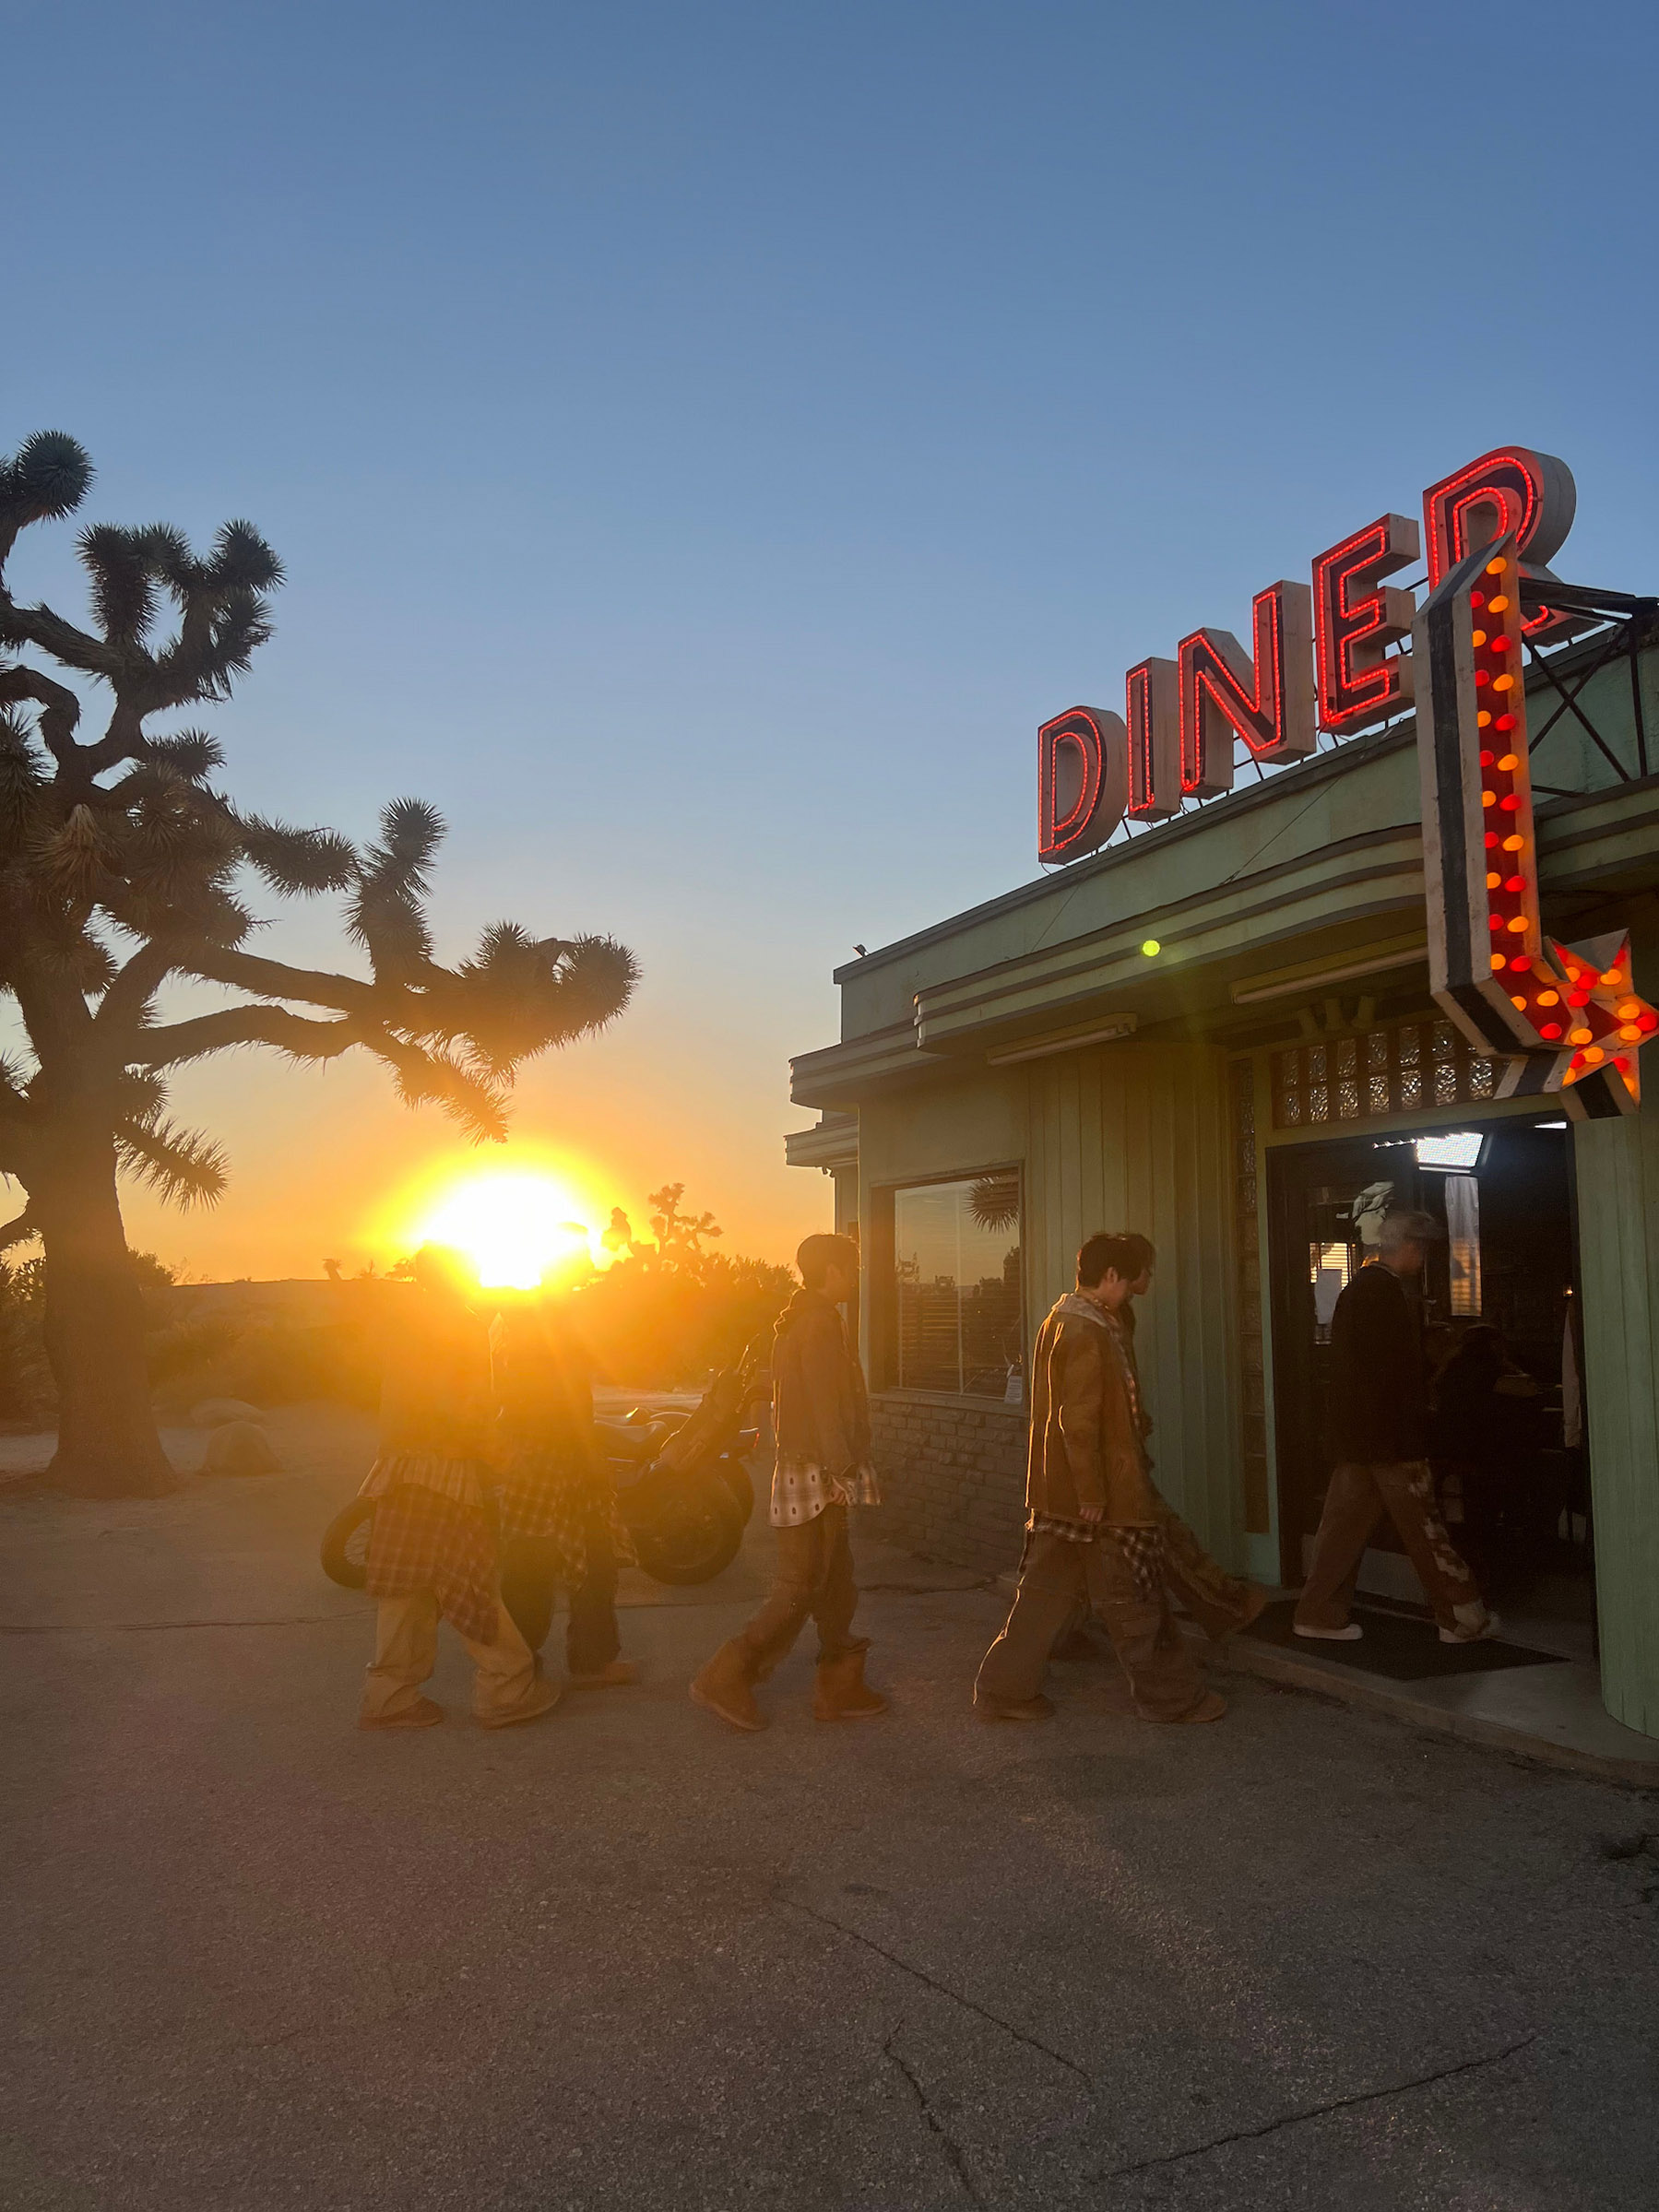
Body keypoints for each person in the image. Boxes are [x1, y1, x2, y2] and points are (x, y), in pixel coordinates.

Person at [975, 1231, 1229, 1725]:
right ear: (1110, 1275)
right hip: (1102, 1494)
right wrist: (1093, 1492)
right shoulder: (1090, 1330)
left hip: (1058, 1493)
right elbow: (1080, 1420)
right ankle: (1172, 1699)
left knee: (1044, 1596)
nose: (1137, 1288)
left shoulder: (1061, 1319)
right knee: (1133, 1595)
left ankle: (1004, 1688)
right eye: (1132, 1279)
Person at [356, 1246, 560, 1732]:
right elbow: (466, 1408)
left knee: (408, 1586)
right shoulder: (461, 1322)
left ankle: (388, 1696)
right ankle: (507, 1688)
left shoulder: (403, 1322)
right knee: (471, 1582)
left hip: (400, 1470)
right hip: (445, 1475)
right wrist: (507, 1460)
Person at [690, 1232, 886, 1732]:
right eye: (853, 1267)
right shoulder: (817, 1324)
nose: (857, 1275)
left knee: (837, 1583)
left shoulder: (806, 1319)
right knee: (798, 1588)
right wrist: (841, 1471)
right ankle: (726, 1675)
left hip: (813, 1465)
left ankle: (838, 1689)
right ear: (833, 1272)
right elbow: (824, 1405)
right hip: (816, 1469)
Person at [1294, 1209, 1499, 1646]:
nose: (1424, 1256)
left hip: (1355, 1436)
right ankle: (1461, 1618)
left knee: (1340, 1531)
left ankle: (1318, 1612)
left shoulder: (1357, 1290)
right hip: (1392, 1438)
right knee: (1426, 1529)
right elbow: (1395, 1373)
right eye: (1422, 1247)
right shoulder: (1389, 1294)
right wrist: (1419, 1423)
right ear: (1409, 1247)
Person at [494, 1285, 638, 1691]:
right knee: (586, 1565)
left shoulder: (519, 1341)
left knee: (531, 1569)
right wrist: (592, 1461)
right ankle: (585, 1663)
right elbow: (567, 1412)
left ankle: (519, 1667)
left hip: (535, 1468)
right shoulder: (551, 1343)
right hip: (561, 1467)